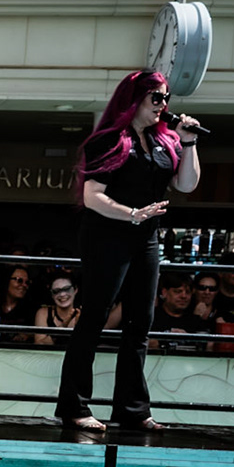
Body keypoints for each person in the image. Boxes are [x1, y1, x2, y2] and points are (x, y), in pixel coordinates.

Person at [54, 71, 202, 432]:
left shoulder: (163, 141)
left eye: (166, 98)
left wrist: (189, 143)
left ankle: (133, 409)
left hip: (145, 237)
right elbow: (93, 197)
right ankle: (74, 406)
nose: (163, 106)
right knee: (95, 318)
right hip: (108, 234)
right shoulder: (108, 140)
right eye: (156, 97)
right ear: (134, 98)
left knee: (141, 323)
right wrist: (132, 215)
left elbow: (186, 184)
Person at [148, 271, 207, 351]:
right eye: (178, 291)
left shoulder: (195, 320)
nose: (184, 296)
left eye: (188, 292)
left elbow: (207, 344)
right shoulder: (151, 318)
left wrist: (188, 339)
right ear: (164, 292)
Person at [34, 274, 80, 347]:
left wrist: (81, 329)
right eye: (56, 291)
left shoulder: (82, 313)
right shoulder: (43, 313)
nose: (62, 294)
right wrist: (62, 327)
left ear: (75, 290)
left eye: (67, 289)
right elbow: (39, 345)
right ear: (52, 295)